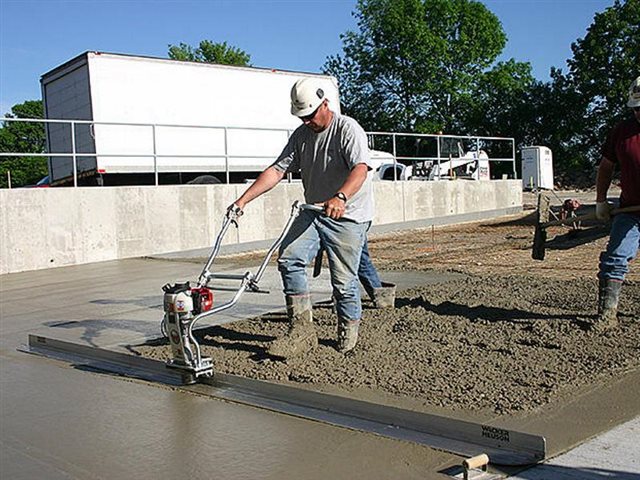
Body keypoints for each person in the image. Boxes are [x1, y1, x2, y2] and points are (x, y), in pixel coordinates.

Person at [231, 78, 374, 357]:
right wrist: (242, 200)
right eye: (301, 117)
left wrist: (341, 197)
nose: (307, 121)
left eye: (310, 115)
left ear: (325, 104)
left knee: (343, 281)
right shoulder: (301, 136)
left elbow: (360, 168)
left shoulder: (347, 129)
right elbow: (277, 170)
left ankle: (348, 333)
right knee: (289, 258)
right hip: (314, 211)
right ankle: (301, 328)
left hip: (349, 216)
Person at [592, 76, 640, 331]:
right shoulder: (621, 132)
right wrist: (601, 201)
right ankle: (608, 314)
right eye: (636, 108)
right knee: (615, 257)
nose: (639, 112)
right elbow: (606, 167)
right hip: (630, 210)